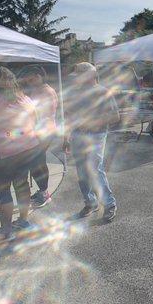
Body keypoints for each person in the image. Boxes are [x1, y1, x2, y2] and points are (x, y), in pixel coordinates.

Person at [0, 67, 41, 244]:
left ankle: (6, 230)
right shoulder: (25, 98)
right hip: (26, 150)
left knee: (3, 191)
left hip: (4, 153)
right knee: (22, 186)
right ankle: (23, 221)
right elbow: (35, 122)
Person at [64, 62, 120, 222]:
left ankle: (109, 204)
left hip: (96, 135)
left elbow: (115, 117)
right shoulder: (76, 93)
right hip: (77, 135)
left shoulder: (102, 92)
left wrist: (91, 123)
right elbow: (69, 116)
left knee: (95, 169)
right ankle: (90, 202)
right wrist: (66, 135)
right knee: (82, 171)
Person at [18, 65, 58, 208]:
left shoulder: (47, 92)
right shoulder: (38, 90)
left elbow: (39, 113)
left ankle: (45, 193)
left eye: (31, 79)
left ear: (38, 76)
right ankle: (42, 190)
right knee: (37, 162)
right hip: (38, 131)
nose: (29, 81)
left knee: (37, 162)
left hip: (44, 131)